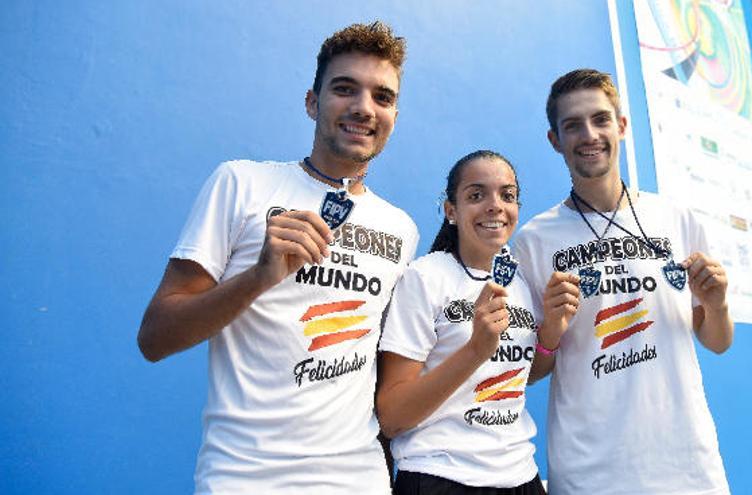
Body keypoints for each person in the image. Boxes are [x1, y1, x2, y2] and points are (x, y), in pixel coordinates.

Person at [137, 22, 418, 494]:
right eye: (344, 89)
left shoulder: (401, 228)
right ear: (312, 102)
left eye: (382, 96)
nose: (363, 108)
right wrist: (258, 277)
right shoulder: (241, 184)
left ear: (393, 114)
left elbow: (391, 374)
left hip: (357, 477)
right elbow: (154, 338)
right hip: (243, 477)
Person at [512, 69, 734, 495]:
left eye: (600, 120)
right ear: (555, 141)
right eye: (572, 125)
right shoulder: (534, 242)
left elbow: (718, 341)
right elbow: (528, 372)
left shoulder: (676, 219)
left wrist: (718, 305)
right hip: (589, 474)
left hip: (687, 467)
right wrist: (551, 332)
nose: (589, 134)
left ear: (622, 126)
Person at [376, 150, 580, 494]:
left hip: (520, 475)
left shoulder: (521, 280)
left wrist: (551, 334)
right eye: (476, 195)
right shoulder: (425, 278)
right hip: (441, 475)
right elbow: (393, 417)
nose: (495, 205)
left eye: (508, 195)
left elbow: (524, 376)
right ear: (451, 210)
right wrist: (474, 350)